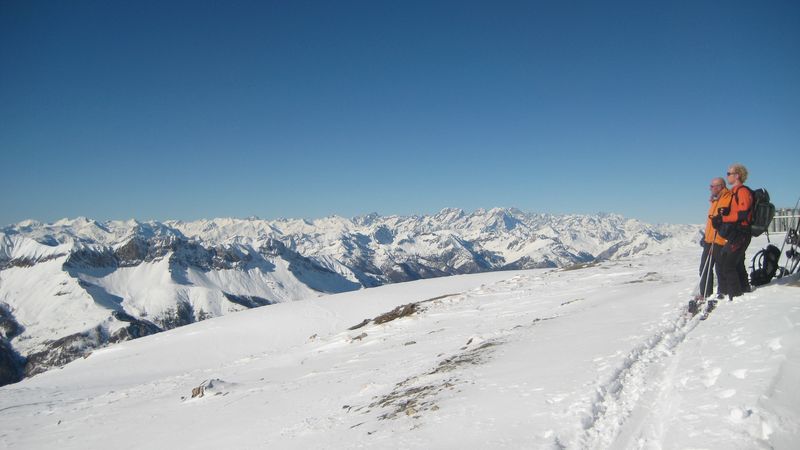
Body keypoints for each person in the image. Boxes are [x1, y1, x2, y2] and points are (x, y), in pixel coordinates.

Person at [713, 163, 753, 301]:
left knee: (727, 265)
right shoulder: (735, 192)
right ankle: (744, 289)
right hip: (737, 233)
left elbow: (742, 214)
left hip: (741, 233)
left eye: (729, 174)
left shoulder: (742, 191)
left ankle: (736, 296)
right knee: (736, 263)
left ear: (737, 175)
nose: (727, 176)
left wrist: (724, 218)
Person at [698, 177, 730, 299]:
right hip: (710, 239)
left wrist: (716, 239)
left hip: (719, 240)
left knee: (720, 269)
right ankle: (706, 294)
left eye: (712, 186)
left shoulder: (726, 199)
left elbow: (721, 220)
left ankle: (722, 293)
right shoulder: (717, 200)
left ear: (720, 186)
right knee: (705, 269)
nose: (710, 188)